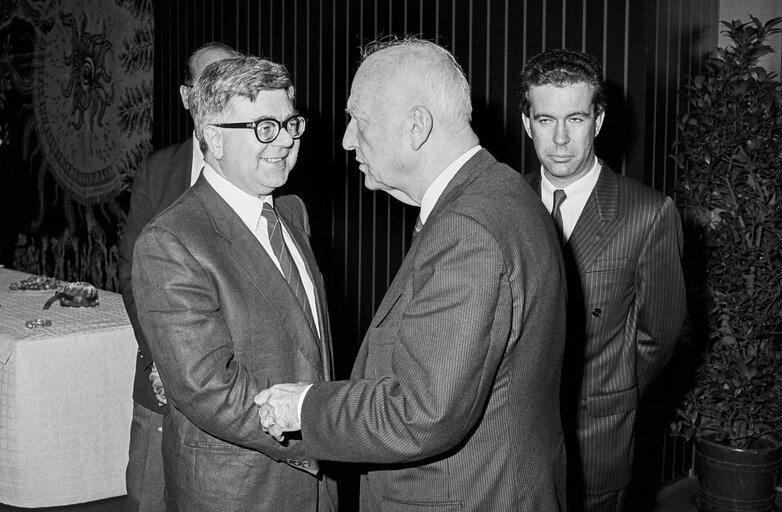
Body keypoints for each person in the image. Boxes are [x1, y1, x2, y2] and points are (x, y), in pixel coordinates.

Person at [255, 37, 568, 511]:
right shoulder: (498, 191)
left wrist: (303, 406)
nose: (346, 140)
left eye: (358, 121)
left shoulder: (469, 229)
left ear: (416, 126)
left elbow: (424, 414)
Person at [131, 55, 336, 511]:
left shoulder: (292, 214)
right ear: (215, 139)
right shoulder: (171, 240)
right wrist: (324, 433)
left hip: (318, 489)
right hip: (238, 490)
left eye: (291, 124)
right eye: (265, 126)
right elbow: (207, 387)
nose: (284, 141)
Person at [518, 48, 687, 512]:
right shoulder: (505, 202)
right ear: (527, 122)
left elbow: (661, 333)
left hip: (596, 439)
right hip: (512, 443)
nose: (559, 139)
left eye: (575, 119)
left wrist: (611, 389)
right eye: (546, 119)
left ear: (598, 120)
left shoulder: (648, 213)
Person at [118, 41, 238, 512]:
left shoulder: (265, 172)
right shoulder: (158, 172)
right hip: (158, 383)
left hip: (234, 389)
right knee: (149, 498)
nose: (221, 93)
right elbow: (133, 274)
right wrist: (160, 359)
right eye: (209, 82)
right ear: (187, 97)